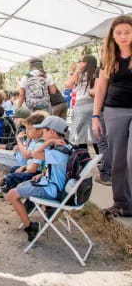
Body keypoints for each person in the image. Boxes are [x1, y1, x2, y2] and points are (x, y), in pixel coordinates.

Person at [6, 116, 70, 241]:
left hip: (52, 190)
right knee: (19, 187)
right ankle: (28, 212)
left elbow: (34, 154)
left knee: (11, 195)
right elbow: (58, 169)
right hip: (53, 184)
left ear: (51, 131)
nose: (42, 133)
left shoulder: (58, 150)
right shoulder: (65, 147)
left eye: (44, 131)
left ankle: (30, 227)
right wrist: (42, 174)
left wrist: (47, 142)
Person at [93, 15, 132, 218]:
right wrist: (95, 115)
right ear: (112, 35)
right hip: (114, 110)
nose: (123, 37)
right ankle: (122, 204)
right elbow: (100, 88)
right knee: (118, 159)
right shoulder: (108, 56)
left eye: (127, 32)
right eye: (118, 33)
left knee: (131, 157)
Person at [0, 112, 46, 199]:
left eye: (29, 129)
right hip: (19, 158)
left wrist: (18, 141)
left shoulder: (39, 142)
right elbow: (26, 150)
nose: (27, 131)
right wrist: (19, 145)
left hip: (19, 161)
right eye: (27, 128)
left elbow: (26, 155)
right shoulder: (33, 138)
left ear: (40, 131)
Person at [66, 55, 98, 152]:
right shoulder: (97, 73)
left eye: (81, 61)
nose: (79, 63)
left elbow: (68, 85)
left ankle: (84, 160)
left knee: (80, 135)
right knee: (95, 134)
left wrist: (73, 72)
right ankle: (101, 160)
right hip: (94, 105)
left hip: (81, 106)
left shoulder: (79, 74)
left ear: (85, 63)